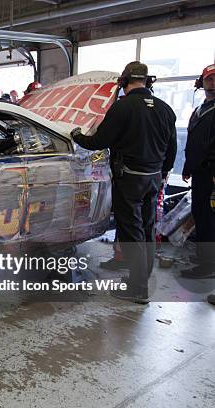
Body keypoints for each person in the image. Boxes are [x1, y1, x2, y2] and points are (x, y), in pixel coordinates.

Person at [71, 61, 177, 304]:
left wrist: (77, 135)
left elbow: (100, 140)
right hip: (153, 178)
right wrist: (163, 172)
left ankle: (137, 288)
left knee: (131, 232)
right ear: (147, 81)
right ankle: (142, 279)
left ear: (124, 81)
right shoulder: (165, 109)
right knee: (147, 228)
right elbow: (172, 148)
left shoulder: (123, 107)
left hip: (129, 178)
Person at [180, 63, 215, 279]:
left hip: (211, 174)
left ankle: (208, 266)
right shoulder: (200, 109)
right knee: (201, 215)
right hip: (200, 173)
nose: (212, 83)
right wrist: (187, 166)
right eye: (209, 79)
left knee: (209, 219)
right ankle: (205, 257)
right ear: (201, 82)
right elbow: (194, 141)